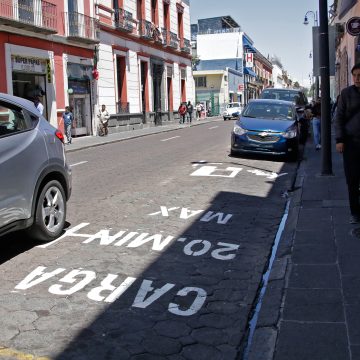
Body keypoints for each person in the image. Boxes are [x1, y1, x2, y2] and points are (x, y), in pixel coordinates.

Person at [335, 63, 360, 224]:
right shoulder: (346, 94)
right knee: (352, 180)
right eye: (355, 75)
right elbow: (339, 118)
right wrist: (339, 140)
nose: (357, 78)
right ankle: (355, 213)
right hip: (351, 144)